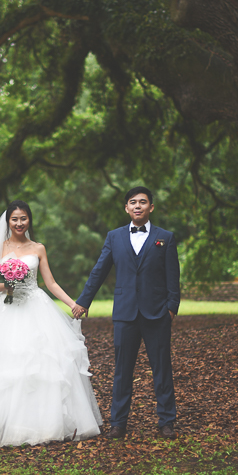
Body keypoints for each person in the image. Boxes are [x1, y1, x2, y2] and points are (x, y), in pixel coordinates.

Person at [0, 200, 102, 447]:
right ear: (8, 221)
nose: (19, 223)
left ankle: (44, 424)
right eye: (14, 219)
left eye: (24, 218)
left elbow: (50, 283)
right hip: (5, 311)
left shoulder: (38, 248)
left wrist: (73, 303)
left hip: (36, 308)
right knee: (2, 365)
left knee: (42, 365)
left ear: (30, 220)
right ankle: (2, 424)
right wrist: (9, 285)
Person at [72, 186, 180, 440]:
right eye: (133, 202)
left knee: (162, 368)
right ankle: (118, 422)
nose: (138, 206)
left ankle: (167, 421)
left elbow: (173, 276)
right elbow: (99, 271)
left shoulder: (165, 237)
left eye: (143, 202)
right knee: (122, 370)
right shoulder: (114, 237)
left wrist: (172, 307)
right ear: (127, 208)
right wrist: (84, 301)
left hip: (157, 313)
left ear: (151, 207)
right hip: (125, 313)